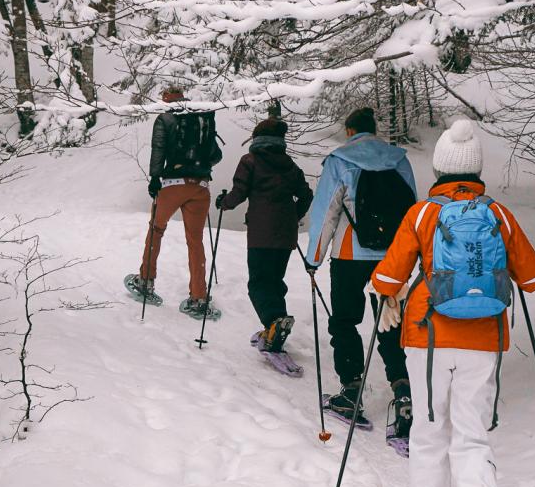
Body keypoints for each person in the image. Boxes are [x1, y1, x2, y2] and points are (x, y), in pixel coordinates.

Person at [370, 119, 535, 487]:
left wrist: (395, 288)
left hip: (427, 338)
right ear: (477, 168)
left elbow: (386, 277)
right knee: (471, 435)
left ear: (440, 167)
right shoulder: (499, 214)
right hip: (484, 338)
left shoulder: (424, 214)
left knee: (430, 434)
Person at [303, 107, 417, 440]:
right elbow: (412, 210)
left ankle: (350, 391)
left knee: (345, 320)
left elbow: (326, 213)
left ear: (350, 131)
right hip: (392, 259)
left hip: (350, 254)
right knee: (390, 322)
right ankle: (404, 392)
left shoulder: (340, 160)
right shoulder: (398, 160)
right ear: (374, 129)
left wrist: (314, 259)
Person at [216, 117, 314, 351]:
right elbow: (306, 195)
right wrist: (294, 216)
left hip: (261, 231)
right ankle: (277, 323)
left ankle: (273, 322)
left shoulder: (250, 161)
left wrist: (224, 203)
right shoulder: (290, 165)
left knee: (259, 282)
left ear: (257, 138)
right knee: (274, 280)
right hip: (286, 233)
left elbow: (239, 192)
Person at [128, 85, 223, 318]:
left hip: (172, 184)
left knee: (156, 229)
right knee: (195, 241)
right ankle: (199, 297)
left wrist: (154, 178)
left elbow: (158, 149)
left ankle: (146, 281)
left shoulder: (166, 119)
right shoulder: (202, 117)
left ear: (166, 100)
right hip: (200, 186)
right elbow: (216, 155)